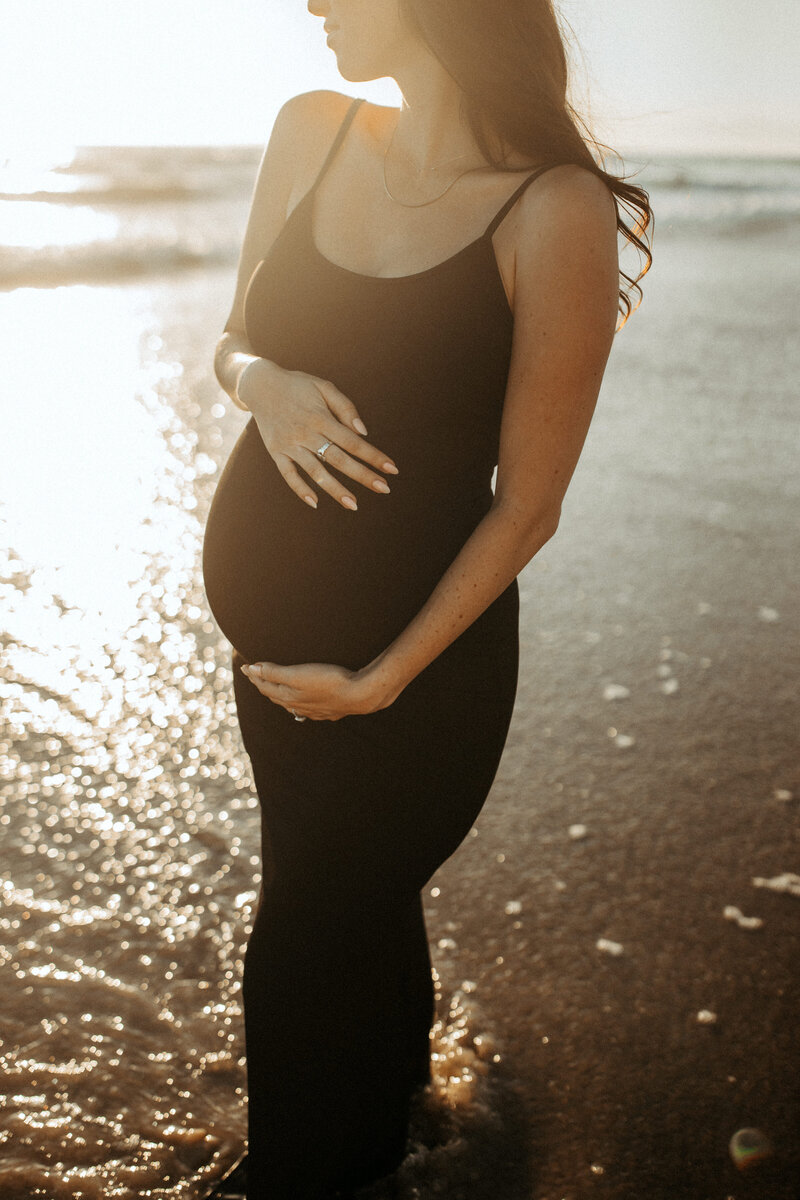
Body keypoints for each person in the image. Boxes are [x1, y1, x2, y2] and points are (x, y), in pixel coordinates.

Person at [202, 1, 652, 1196]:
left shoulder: (551, 208)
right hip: (275, 668)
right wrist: (268, 387)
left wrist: (378, 680)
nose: (314, 3)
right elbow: (233, 338)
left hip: (417, 681)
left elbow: (528, 503)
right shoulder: (313, 129)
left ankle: (303, 1175)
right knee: (342, 898)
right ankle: (402, 1108)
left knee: (308, 932)